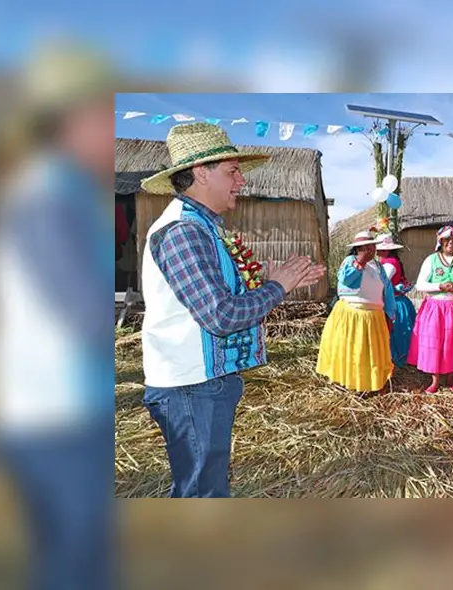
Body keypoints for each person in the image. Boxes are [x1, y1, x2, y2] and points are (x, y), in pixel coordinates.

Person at [0, 41, 120, 589]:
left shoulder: (64, 193)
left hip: (69, 407)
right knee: (76, 560)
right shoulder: (45, 198)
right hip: (58, 415)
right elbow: (83, 310)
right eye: (106, 116)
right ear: (73, 118)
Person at [139, 122, 326, 498]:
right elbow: (221, 316)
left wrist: (268, 285)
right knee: (201, 492)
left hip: (200, 383)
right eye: (232, 171)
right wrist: (278, 286)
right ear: (201, 173)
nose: (241, 181)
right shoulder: (183, 231)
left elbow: (214, 299)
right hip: (190, 385)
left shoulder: (202, 227)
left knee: (206, 483)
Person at [317, 229, 396, 396]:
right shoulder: (349, 261)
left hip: (374, 317)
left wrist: (390, 314)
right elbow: (345, 280)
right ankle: (349, 382)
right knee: (352, 350)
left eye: (371, 247)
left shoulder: (379, 267)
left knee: (371, 353)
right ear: (357, 249)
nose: (368, 250)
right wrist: (360, 263)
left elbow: (387, 291)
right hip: (352, 315)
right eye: (364, 247)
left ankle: (371, 382)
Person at [408, 226, 453, 393]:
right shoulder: (431, 260)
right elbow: (421, 284)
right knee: (435, 341)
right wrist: (440, 285)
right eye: (447, 240)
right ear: (440, 242)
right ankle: (435, 379)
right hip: (435, 308)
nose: (450, 243)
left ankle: (452, 376)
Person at [375, 233, 417, 368]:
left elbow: (381, 282)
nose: (377, 251)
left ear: (387, 250)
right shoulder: (386, 262)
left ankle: (398, 359)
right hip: (397, 301)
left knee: (397, 332)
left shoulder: (390, 264)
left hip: (394, 304)